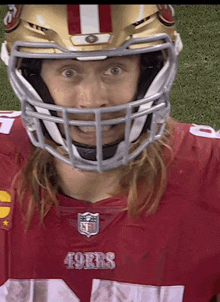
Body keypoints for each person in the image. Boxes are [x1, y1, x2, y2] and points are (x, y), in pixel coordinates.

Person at [0, 4, 219, 302]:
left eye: (114, 69)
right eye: (69, 71)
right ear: (33, 78)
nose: (92, 102)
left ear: (150, 70)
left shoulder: (212, 172)